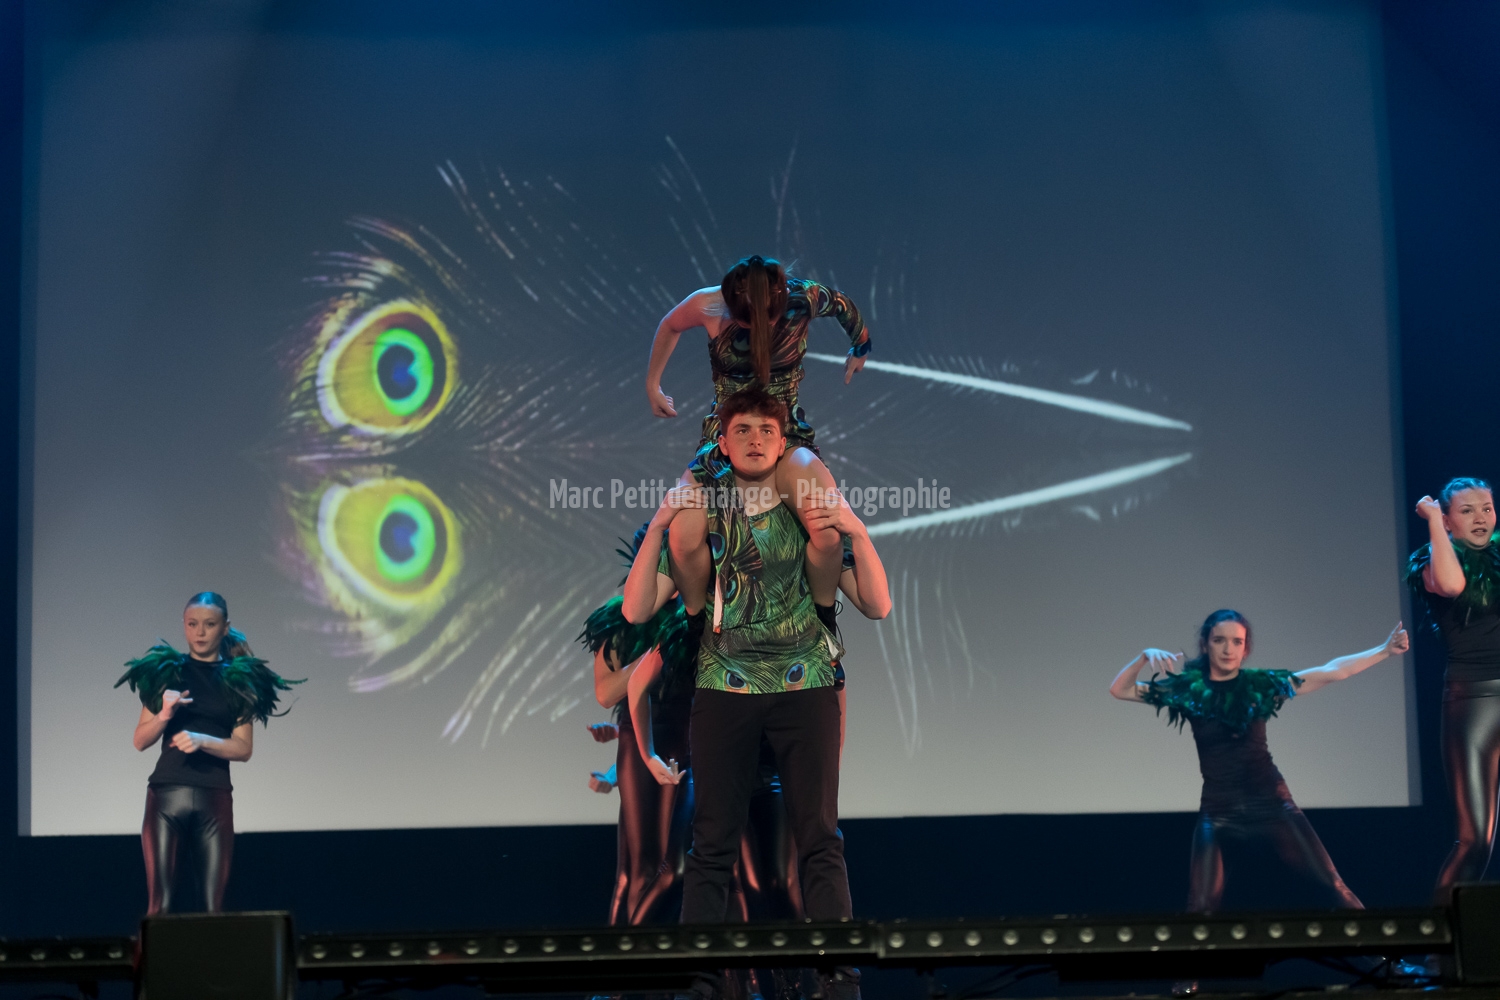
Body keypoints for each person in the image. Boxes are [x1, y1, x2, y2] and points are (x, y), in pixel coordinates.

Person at [623, 385, 888, 1000]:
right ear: (722, 442)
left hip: (805, 684)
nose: (755, 440)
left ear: (782, 441)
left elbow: (878, 605)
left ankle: (838, 976)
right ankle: (700, 978)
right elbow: (636, 610)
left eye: (766, 430)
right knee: (712, 841)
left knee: (819, 836)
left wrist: (858, 530)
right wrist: (660, 521)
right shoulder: (702, 515)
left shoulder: (809, 515)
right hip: (725, 686)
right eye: (741, 429)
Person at [1109, 609, 1407, 912]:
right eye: (1219, 640)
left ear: (1245, 648)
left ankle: (1379, 945)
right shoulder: (1188, 691)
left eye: (1237, 642)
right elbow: (1120, 689)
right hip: (1218, 811)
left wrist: (1384, 651)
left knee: (1331, 887)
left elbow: (1332, 671)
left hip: (1271, 804)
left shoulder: (1260, 685)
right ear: (1206, 644)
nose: (1228, 649)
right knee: (1200, 906)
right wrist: (1143, 657)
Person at [645, 255, 872, 613]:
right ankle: (694, 619)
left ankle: (824, 615)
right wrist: (652, 385)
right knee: (683, 537)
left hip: (786, 430)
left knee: (826, 527)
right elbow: (670, 324)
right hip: (726, 434)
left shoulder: (803, 299)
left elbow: (843, 305)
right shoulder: (710, 304)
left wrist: (861, 347)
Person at [116, 592, 300, 914]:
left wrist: (203, 740)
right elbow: (140, 740)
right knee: (159, 907)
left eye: (209, 624)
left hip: (214, 797)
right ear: (184, 625)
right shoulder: (165, 672)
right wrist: (164, 715)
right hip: (166, 795)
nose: (200, 632)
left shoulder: (239, 680)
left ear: (225, 627)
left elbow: (244, 748)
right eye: (192, 624)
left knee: (214, 909)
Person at [1409, 478, 1500, 901]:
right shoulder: (1430, 563)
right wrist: (1432, 521)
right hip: (1475, 704)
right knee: (1475, 842)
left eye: (1487, 508)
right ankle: (1438, 936)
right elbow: (1451, 586)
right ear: (1447, 521)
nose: (1480, 518)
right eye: (1467, 511)